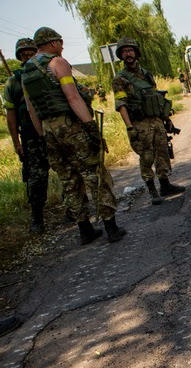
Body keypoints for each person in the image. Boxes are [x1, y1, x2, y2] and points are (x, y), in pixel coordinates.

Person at [22, 27, 126, 244]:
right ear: (51, 43)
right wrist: (90, 128)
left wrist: (43, 135)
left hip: (49, 131)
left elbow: (32, 110)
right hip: (70, 126)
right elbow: (73, 98)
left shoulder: (27, 71)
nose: (62, 46)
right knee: (94, 173)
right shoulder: (57, 63)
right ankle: (111, 227)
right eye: (59, 42)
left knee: (69, 180)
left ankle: (85, 230)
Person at [112, 37, 185, 205]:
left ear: (136, 53)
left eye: (130, 51)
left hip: (156, 120)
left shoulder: (146, 74)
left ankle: (165, 185)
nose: (128, 54)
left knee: (162, 152)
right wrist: (130, 127)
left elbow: (156, 98)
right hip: (139, 123)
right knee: (147, 156)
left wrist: (167, 119)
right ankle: (152, 191)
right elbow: (121, 104)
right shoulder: (120, 79)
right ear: (121, 56)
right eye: (124, 52)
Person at [3, 38, 48, 233]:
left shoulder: (46, 72)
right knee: (36, 178)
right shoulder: (13, 82)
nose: (27, 55)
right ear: (19, 56)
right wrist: (16, 142)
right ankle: (37, 217)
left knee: (68, 170)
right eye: (24, 53)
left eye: (31, 52)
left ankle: (75, 209)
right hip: (30, 137)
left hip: (52, 130)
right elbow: (11, 116)